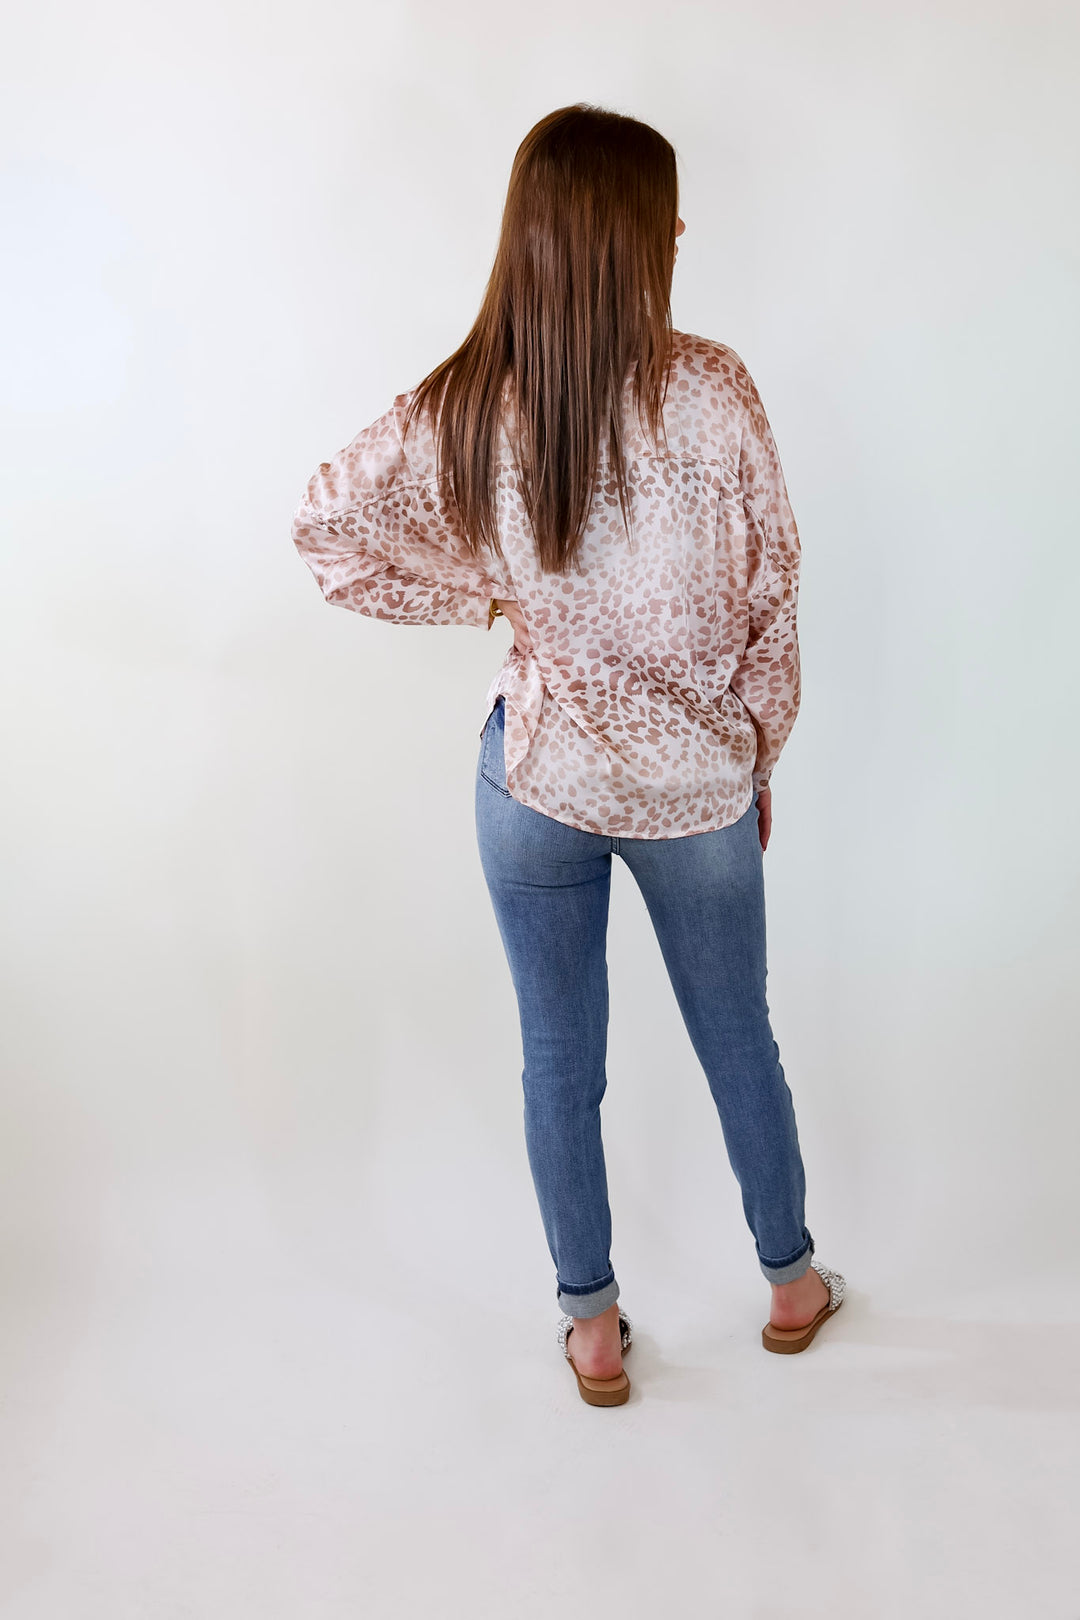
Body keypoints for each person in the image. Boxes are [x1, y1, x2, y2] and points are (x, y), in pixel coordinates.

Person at [291, 102, 845, 1407]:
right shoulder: (714, 387)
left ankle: (592, 1330)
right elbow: (774, 590)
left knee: (558, 1059)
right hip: (696, 788)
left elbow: (325, 527)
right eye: (667, 214)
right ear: (635, 235)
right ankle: (790, 1284)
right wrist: (756, 758)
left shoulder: (466, 400)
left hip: (534, 781)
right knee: (739, 1037)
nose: (682, 229)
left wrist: (490, 594)